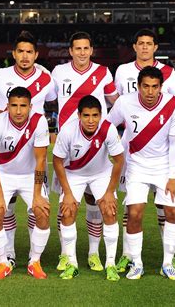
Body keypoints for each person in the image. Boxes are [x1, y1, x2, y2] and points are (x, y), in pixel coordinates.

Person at [0, 30, 56, 268]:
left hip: (32, 152)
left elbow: (51, 101)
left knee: (38, 209)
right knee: (4, 209)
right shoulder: (0, 76)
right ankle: (8, 256)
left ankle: (35, 260)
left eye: (29, 52)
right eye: (20, 51)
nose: (24, 56)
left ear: (36, 55)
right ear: (13, 54)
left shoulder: (46, 78)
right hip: (4, 151)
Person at [114, 28, 175, 273]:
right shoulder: (125, 99)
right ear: (138, 86)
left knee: (173, 212)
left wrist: (173, 176)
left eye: (155, 87)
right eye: (146, 86)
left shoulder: (173, 105)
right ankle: (137, 262)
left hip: (164, 166)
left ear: (161, 87)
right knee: (134, 212)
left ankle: (168, 263)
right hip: (135, 163)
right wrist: (113, 151)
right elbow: (108, 126)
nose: (151, 91)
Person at [51, 31, 119, 272]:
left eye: (85, 48)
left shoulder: (103, 72)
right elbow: (47, 97)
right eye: (77, 49)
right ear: (70, 51)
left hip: (96, 146)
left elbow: (114, 100)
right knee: (66, 206)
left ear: (92, 50)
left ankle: (93, 253)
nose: (81, 53)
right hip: (68, 146)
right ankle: (64, 254)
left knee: (95, 201)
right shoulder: (59, 73)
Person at [53, 95, 124, 281]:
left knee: (109, 210)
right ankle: (72, 263)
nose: (91, 120)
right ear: (79, 115)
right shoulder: (68, 131)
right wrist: (67, 193)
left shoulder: (108, 129)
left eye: (95, 115)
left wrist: (109, 192)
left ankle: (109, 263)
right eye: (86, 116)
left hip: (101, 173)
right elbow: (57, 162)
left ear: (101, 115)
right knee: (67, 211)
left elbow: (119, 161)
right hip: (73, 173)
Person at [0, 86, 50, 279]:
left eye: (23, 106)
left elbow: (40, 160)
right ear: (7, 106)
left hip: (30, 175)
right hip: (3, 174)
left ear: (30, 106)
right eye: (14, 105)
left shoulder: (39, 122)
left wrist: (37, 195)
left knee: (42, 212)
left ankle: (34, 261)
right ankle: (3, 262)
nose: (19, 111)